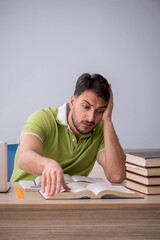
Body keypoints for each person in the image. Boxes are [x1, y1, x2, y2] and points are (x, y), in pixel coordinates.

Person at [10, 73, 126, 196]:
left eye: (100, 111)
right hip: (23, 195)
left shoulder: (102, 130)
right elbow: (24, 158)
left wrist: (107, 120)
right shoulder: (43, 118)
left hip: (68, 199)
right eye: (86, 107)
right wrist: (48, 164)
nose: (91, 118)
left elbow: (116, 175)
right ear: (72, 102)